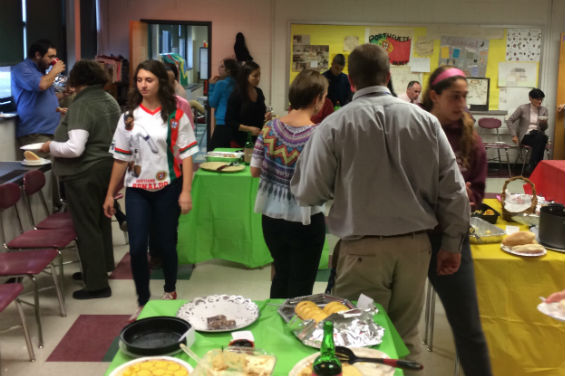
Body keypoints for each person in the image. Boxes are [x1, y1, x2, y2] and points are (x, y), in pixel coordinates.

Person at [290, 44, 469, 372]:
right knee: (406, 337)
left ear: (351, 81)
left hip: (362, 253)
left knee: (358, 343)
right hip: (416, 249)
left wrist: (343, 184)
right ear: (388, 76)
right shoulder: (425, 122)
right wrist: (451, 244)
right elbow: (454, 190)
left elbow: (308, 193)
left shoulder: (333, 125)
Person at [102, 60, 198, 320]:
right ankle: (143, 301)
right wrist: (111, 193)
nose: (143, 85)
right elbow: (120, 158)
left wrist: (186, 191)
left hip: (168, 187)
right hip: (136, 190)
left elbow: (187, 155)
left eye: (149, 80)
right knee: (136, 248)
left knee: (166, 244)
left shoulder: (176, 115)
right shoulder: (128, 117)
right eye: (140, 80)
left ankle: (170, 290)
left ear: (160, 83)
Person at [421, 66, 492, 376]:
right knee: (391, 321)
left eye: (465, 96)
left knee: (468, 329)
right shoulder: (415, 130)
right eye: (454, 96)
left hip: (451, 239)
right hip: (410, 237)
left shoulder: (470, 140)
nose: (461, 103)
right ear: (434, 96)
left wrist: (465, 196)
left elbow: (477, 189)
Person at [39, 60, 120, 299]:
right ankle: (100, 268)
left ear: (76, 81)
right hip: (106, 168)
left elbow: (75, 148)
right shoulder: (109, 100)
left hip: (84, 172)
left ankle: (96, 285)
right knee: (100, 221)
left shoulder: (82, 104)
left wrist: (49, 146)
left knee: (86, 227)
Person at [250, 69, 328, 298]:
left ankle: (275, 328)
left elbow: (254, 170)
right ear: (317, 99)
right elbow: (325, 182)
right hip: (306, 220)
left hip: (272, 218)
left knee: (281, 274)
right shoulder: (319, 135)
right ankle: (296, 329)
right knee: (302, 285)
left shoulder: (269, 128)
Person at [12, 39, 66, 159]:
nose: (53, 60)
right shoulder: (22, 69)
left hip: (52, 131)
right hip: (36, 133)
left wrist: (64, 95)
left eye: (55, 57)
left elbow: (46, 97)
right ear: (37, 55)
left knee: (55, 171)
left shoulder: (41, 73)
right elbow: (41, 86)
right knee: (42, 172)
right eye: (50, 56)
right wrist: (55, 70)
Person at [225, 61, 269, 147]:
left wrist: (266, 116)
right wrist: (248, 129)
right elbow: (229, 121)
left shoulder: (259, 92)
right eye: (255, 76)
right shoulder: (237, 95)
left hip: (257, 140)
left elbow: (261, 113)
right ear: (246, 76)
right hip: (239, 141)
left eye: (259, 75)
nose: (258, 78)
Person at [507, 88, 549, 174]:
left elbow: (544, 128)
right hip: (526, 136)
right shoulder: (522, 108)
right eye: (537, 99)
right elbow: (510, 120)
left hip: (538, 135)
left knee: (540, 137)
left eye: (541, 99)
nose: (540, 101)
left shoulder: (544, 110)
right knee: (543, 139)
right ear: (530, 98)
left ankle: (532, 167)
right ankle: (536, 167)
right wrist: (514, 135)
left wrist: (544, 124)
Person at [209, 58, 239, 149]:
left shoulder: (221, 84)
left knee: (215, 153)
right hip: (235, 124)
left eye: (222, 66)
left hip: (222, 124)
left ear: (228, 70)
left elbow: (212, 103)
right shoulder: (238, 83)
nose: (219, 68)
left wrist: (211, 86)